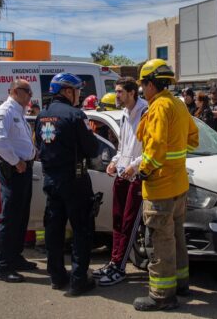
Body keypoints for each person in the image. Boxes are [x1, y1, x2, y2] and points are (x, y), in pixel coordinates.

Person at [133, 59, 199, 312]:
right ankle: (181, 284)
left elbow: (157, 146)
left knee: (160, 241)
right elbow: (193, 139)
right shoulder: (178, 105)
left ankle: (162, 295)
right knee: (177, 237)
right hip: (179, 185)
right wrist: (176, 153)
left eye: (143, 85)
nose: (142, 90)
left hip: (159, 188)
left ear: (151, 84)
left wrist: (144, 170)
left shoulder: (159, 107)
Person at [35, 73, 100, 296]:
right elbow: (92, 149)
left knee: (54, 230)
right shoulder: (75, 115)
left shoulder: (42, 115)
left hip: (51, 180)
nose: (79, 95)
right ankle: (79, 280)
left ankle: (56, 276)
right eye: (77, 90)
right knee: (81, 229)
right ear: (66, 91)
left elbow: (40, 146)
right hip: (75, 180)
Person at [95, 77, 148, 286]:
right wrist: (115, 161)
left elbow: (148, 150)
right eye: (116, 91)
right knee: (117, 221)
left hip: (135, 177)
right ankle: (114, 260)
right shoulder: (125, 113)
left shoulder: (145, 112)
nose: (116, 95)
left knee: (128, 223)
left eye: (119, 92)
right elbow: (123, 146)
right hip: (121, 175)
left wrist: (133, 166)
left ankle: (120, 267)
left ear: (132, 92)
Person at [0, 80, 38, 283]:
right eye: (28, 92)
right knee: (10, 219)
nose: (30, 96)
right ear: (16, 91)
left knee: (21, 216)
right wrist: (16, 161)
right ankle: (2, 266)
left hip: (24, 168)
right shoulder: (6, 111)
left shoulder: (18, 111)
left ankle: (16, 257)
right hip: (13, 169)